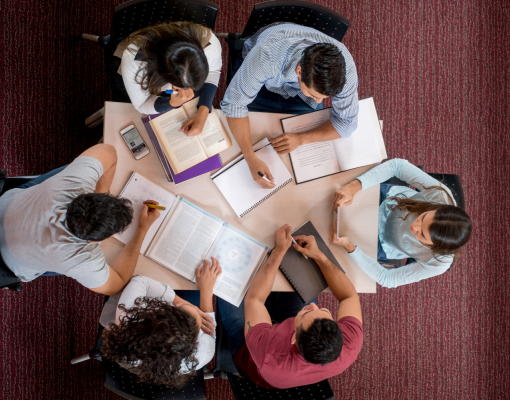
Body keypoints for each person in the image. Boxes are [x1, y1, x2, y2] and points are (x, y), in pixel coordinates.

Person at [0, 144, 160, 296]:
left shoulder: (72, 184)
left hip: (5, 206)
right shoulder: (79, 258)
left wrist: (100, 197)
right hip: (6, 266)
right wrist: (142, 230)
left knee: (74, 169)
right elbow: (117, 285)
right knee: (73, 270)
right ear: (93, 241)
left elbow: (109, 151)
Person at [218, 224, 363, 389]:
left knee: (226, 282)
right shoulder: (350, 343)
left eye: (307, 313)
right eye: (323, 310)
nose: (313, 307)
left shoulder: (267, 354)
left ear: (293, 338)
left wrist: (279, 251)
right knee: (303, 272)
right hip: (291, 346)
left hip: (252, 356)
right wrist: (319, 256)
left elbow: (254, 299)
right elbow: (348, 296)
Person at [220, 23, 359, 189]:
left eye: (324, 98)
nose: (317, 103)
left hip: (297, 91)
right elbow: (234, 105)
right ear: (299, 71)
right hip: (265, 81)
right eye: (314, 95)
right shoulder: (267, 55)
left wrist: (302, 138)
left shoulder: (345, 70)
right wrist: (250, 157)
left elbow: (347, 123)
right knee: (239, 145)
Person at [331, 158, 472, 288]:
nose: (414, 226)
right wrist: (355, 186)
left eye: (422, 234)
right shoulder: (440, 195)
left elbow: (387, 279)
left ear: (434, 247)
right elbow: (398, 166)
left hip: (383, 243)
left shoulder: (439, 263)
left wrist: (351, 248)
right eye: (423, 217)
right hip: (386, 201)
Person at [100, 257, 222, 387]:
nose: (194, 307)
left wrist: (182, 304)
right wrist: (206, 292)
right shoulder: (203, 354)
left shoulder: (130, 316)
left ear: (159, 311)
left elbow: (141, 281)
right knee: (193, 289)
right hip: (142, 361)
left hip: (122, 330)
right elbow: (209, 329)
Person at [115, 21, 222, 136]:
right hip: (133, 71)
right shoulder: (135, 63)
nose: (189, 90)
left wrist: (203, 111)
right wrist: (171, 103)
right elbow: (141, 104)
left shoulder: (209, 41)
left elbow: (214, 71)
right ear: (163, 76)